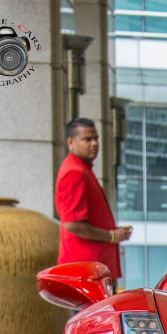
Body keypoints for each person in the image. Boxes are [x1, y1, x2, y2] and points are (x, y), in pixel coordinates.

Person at [55, 118, 131, 280]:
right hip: (85, 271)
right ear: (71, 143)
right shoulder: (74, 172)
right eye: (87, 139)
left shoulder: (82, 169)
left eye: (96, 138)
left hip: (90, 268)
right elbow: (72, 224)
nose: (95, 144)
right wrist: (112, 235)